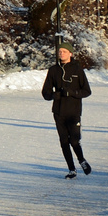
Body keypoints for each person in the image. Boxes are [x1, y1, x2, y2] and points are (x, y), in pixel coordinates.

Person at [41, 41, 92, 178]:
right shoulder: (53, 70)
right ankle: (72, 169)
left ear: (70, 53)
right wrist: (54, 95)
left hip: (74, 111)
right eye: (59, 51)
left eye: (64, 51)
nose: (61, 53)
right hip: (58, 112)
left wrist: (71, 93)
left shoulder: (77, 70)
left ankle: (81, 160)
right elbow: (45, 92)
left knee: (74, 141)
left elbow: (87, 91)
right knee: (64, 142)